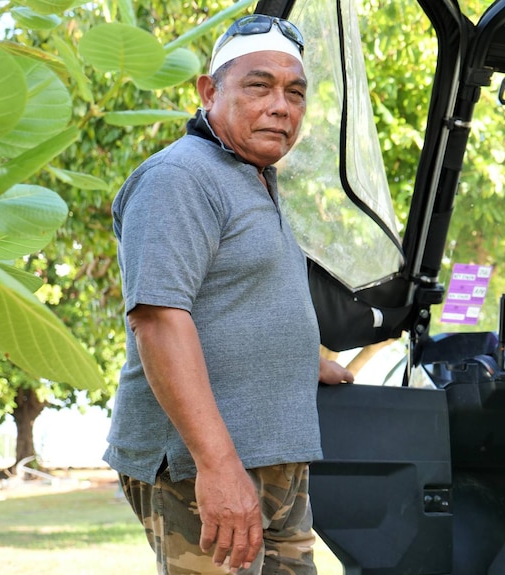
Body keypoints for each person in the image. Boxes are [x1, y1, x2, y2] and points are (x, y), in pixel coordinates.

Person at [105, 14, 353, 575]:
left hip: (272, 458)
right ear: (209, 91)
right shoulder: (180, 178)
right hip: (205, 465)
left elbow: (234, 300)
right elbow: (159, 320)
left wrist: (301, 357)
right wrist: (217, 465)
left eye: (295, 92)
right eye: (258, 86)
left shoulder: (255, 177)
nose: (280, 106)